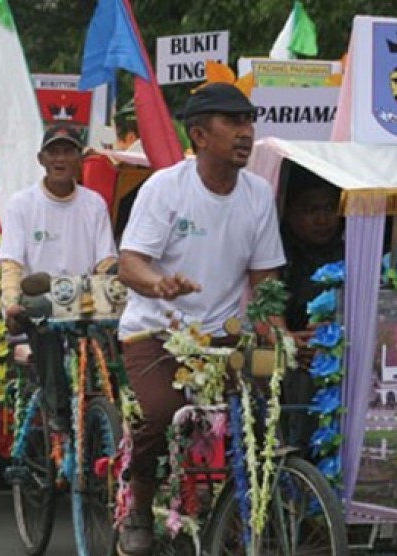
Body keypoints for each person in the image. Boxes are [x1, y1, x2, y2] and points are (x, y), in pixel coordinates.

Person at [116, 83, 287, 556]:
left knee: (264, 412)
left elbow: (266, 280)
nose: (245, 133)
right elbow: (130, 263)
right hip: (158, 332)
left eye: (249, 122)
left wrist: (278, 333)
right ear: (199, 135)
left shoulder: (257, 194)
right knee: (161, 414)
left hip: (224, 338)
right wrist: (159, 284)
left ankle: (237, 512)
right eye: (232, 123)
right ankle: (138, 508)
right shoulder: (165, 187)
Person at [0, 124, 117, 431]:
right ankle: (58, 414)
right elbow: (11, 263)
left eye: (68, 151)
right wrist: (10, 303)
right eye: (54, 151)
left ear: (80, 158)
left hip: (85, 300)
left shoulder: (94, 204)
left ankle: (115, 408)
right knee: (44, 326)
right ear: (42, 158)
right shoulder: (22, 204)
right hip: (40, 302)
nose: (60, 158)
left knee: (118, 335)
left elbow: (106, 260)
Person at [279, 168, 344, 456]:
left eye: (330, 208)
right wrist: (291, 340)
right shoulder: (278, 259)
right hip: (297, 359)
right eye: (311, 210)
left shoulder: (353, 251)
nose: (323, 219)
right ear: (290, 213)